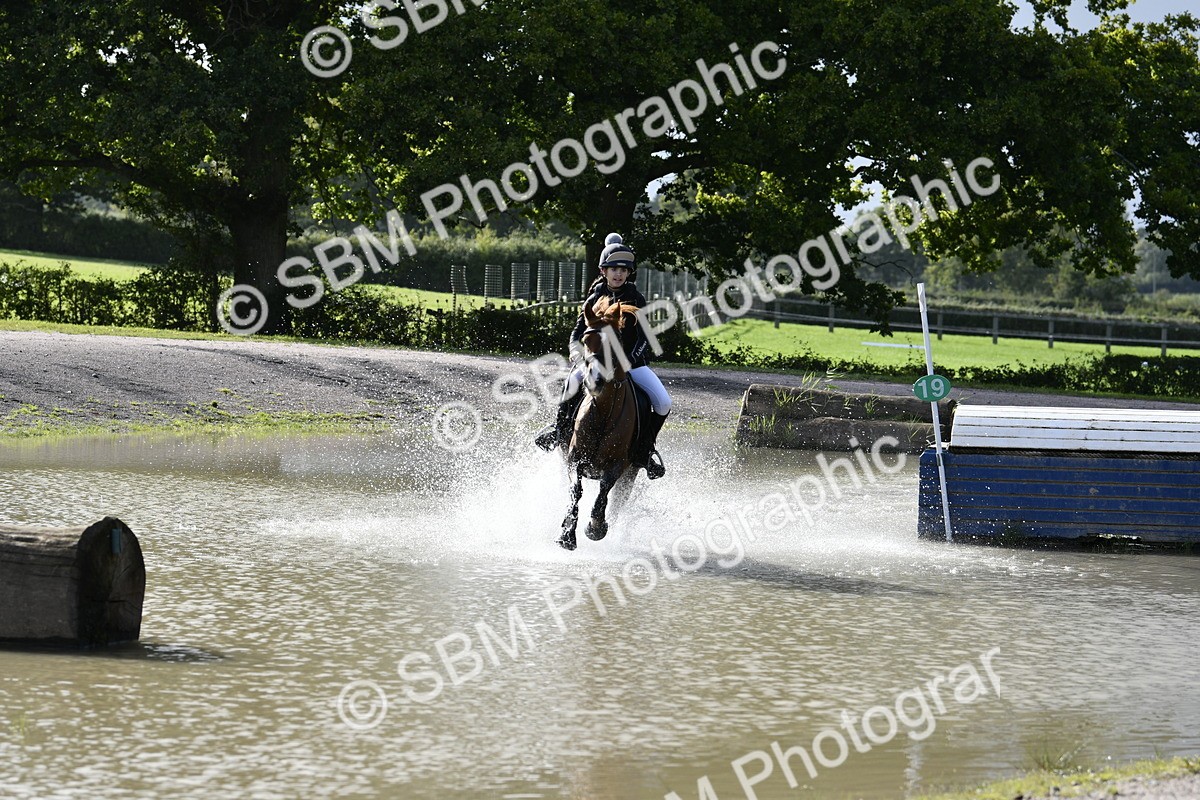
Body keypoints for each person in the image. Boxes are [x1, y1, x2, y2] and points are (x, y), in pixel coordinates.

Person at [534, 233, 671, 479]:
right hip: (596, 362)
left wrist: (627, 362)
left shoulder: (636, 298)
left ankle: (645, 449)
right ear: (603, 271)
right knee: (571, 382)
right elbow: (577, 332)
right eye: (613, 269)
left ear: (629, 273)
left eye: (623, 270)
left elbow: (644, 338)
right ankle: (559, 430)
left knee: (663, 403)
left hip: (631, 363)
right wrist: (575, 351)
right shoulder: (594, 296)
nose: (618, 274)